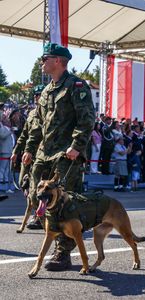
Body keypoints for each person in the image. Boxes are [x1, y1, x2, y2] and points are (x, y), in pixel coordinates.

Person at [22, 42, 95, 270]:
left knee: (66, 204)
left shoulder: (76, 86)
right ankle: (54, 238)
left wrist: (77, 145)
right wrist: (29, 148)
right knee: (36, 197)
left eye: (45, 58)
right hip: (45, 153)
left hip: (67, 154)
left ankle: (63, 253)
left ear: (57, 61)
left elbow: (87, 119)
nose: (42, 62)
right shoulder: (46, 90)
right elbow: (39, 125)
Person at [11, 84, 45, 229]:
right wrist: (16, 151)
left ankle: (39, 216)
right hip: (28, 154)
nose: (37, 97)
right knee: (22, 182)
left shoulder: (50, 111)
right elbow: (25, 135)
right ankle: (38, 209)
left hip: (42, 155)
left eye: (40, 95)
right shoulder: (31, 114)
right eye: (36, 95)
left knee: (38, 187)